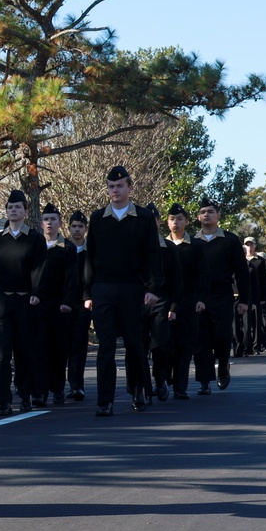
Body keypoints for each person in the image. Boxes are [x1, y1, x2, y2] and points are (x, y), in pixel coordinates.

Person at [83, 166, 162, 416]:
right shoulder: (97, 218)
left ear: (129, 187)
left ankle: (138, 391)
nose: (114, 191)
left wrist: (152, 288)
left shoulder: (144, 218)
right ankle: (105, 401)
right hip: (103, 288)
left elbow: (153, 255)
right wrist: (87, 293)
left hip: (132, 288)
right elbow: (90, 257)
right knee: (105, 346)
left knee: (134, 344)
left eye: (119, 186)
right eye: (110, 186)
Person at [0, 190, 43, 416]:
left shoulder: (34, 238)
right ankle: (3, 400)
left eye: (18, 207)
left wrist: (37, 292)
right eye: (10, 207)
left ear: (26, 211)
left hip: (26, 301)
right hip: (2, 301)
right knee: (1, 353)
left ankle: (25, 394)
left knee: (24, 351)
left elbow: (39, 268)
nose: (13, 211)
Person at [193, 198, 249, 394]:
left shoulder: (229, 240)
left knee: (222, 336)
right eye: (203, 211)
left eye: (210, 211)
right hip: (200, 297)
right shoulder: (194, 241)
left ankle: (223, 366)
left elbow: (242, 272)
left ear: (218, 215)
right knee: (201, 340)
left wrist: (244, 300)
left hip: (223, 296)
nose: (206, 214)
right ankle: (204, 381)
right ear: (198, 216)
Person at [32, 203, 79, 406]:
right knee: (39, 349)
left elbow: (72, 278)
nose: (49, 223)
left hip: (59, 306)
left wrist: (67, 302)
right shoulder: (35, 246)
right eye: (46, 219)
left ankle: (58, 388)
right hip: (38, 304)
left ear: (60, 223)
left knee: (58, 349)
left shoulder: (67, 248)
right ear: (41, 223)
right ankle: (40, 392)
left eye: (53, 219)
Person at [141, 203, 181, 403]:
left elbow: (175, 280)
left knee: (160, 345)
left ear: (158, 222)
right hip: (137, 300)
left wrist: (173, 307)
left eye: (152, 219)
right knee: (138, 346)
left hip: (161, 301)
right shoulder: (133, 247)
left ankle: (160, 380)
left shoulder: (168, 248)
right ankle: (143, 388)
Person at [166, 204, 202, 400]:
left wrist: (201, 299)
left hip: (188, 300)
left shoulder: (195, 245)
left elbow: (202, 275)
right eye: (172, 219)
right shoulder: (162, 245)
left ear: (187, 221)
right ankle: (165, 378)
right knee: (166, 344)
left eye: (179, 219)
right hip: (167, 301)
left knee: (185, 344)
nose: (176, 223)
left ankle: (180, 385)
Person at [66, 210, 91, 401]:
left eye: (80, 226)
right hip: (64, 303)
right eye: (74, 226)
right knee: (63, 345)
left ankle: (77, 385)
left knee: (79, 344)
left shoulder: (90, 252)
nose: (77, 230)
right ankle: (60, 385)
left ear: (86, 229)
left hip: (84, 303)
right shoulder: (64, 249)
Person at [234, 237, 266, 357]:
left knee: (248, 325)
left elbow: (257, 284)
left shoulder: (253, 266)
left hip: (247, 298)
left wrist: (256, 300)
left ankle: (247, 347)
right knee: (235, 326)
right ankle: (237, 346)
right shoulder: (232, 266)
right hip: (233, 298)